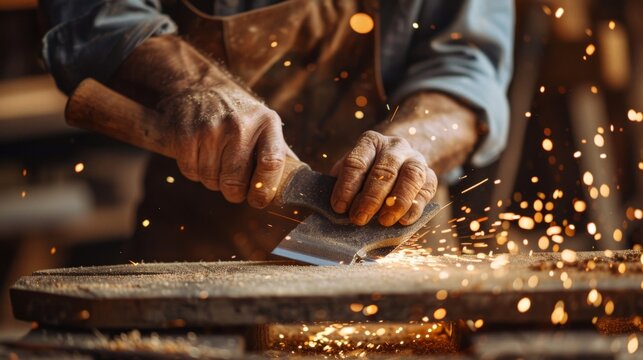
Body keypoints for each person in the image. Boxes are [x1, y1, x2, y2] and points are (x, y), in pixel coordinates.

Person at [39, 0, 513, 261]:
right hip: (196, 250)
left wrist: (415, 146)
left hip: (395, 257)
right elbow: (93, 14)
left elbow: (466, 67)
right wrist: (195, 84)